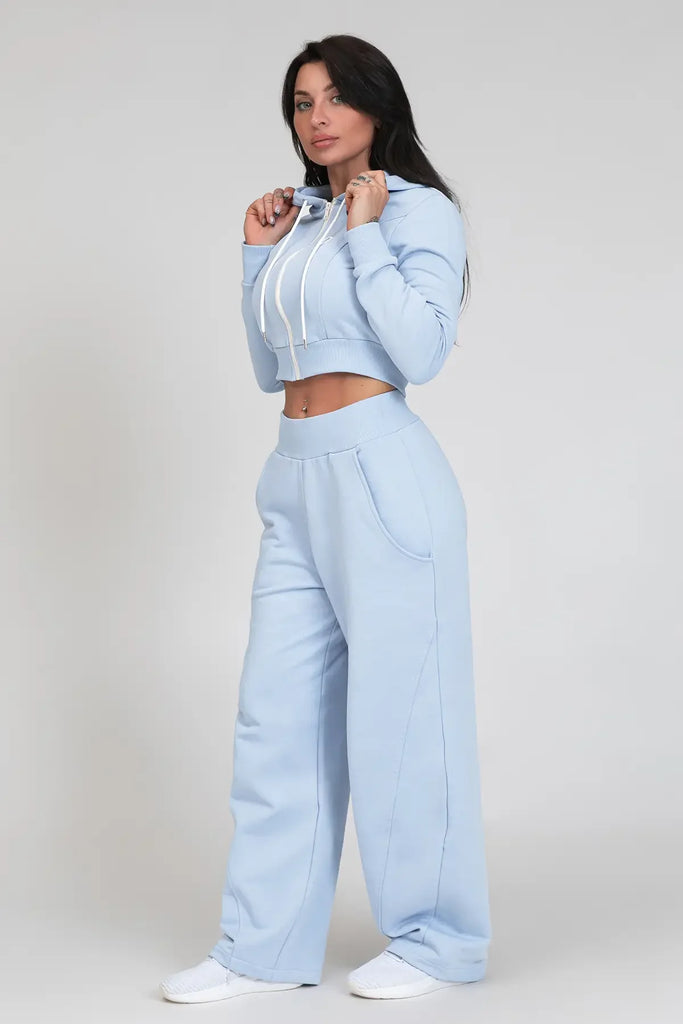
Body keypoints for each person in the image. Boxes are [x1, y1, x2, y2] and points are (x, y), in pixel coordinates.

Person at [159, 32, 492, 1003]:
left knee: (402, 716)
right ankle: (261, 945)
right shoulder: (298, 218)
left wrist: (366, 232)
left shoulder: (417, 211)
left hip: (382, 472)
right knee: (276, 718)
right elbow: (273, 369)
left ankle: (439, 941)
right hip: (294, 478)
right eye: (302, 102)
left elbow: (419, 351)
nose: (318, 117)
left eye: (337, 97)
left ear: (377, 106)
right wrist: (255, 257)